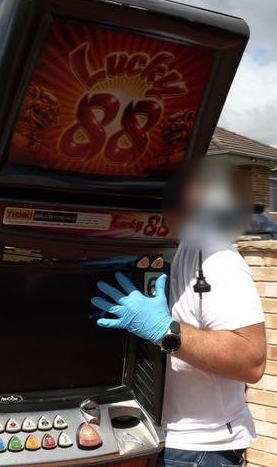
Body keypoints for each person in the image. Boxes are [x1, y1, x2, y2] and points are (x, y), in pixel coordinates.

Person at [90, 162, 266, 467]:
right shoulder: (119, 248)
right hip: (123, 438)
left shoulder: (214, 257)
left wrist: (165, 330)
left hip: (196, 450)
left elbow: (251, 360)